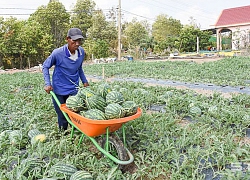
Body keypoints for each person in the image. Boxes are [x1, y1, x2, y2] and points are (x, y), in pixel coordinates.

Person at [42, 27, 89, 131]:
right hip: (59, 89)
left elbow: (79, 68)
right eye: (74, 40)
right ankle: (63, 134)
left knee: (75, 115)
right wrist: (47, 83)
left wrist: (84, 81)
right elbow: (45, 66)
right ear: (67, 39)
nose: (77, 43)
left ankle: (75, 135)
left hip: (74, 89)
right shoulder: (57, 53)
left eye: (79, 40)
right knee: (62, 116)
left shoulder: (81, 52)